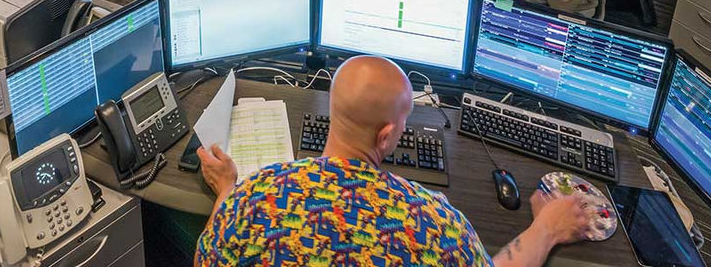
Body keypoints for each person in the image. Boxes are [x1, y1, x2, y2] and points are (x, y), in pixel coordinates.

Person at [195, 55, 591, 266]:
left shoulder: (252, 196)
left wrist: (226, 190)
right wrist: (546, 228)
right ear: (386, 135)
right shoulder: (438, 224)